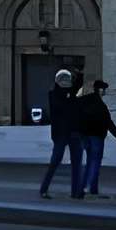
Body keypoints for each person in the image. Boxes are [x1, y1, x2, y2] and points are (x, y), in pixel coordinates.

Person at [67, 79, 116, 199]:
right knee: (95, 162)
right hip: (96, 136)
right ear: (100, 90)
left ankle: (90, 187)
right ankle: (87, 188)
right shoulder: (100, 105)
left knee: (91, 161)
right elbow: (108, 122)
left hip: (84, 135)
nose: (105, 92)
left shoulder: (84, 101)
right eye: (104, 89)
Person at [36, 68, 80, 198]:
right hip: (61, 133)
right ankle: (44, 189)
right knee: (56, 161)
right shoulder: (55, 94)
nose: (66, 82)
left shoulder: (72, 94)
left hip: (73, 131)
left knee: (76, 163)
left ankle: (76, 192)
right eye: (63, 80)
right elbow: (61, 107)